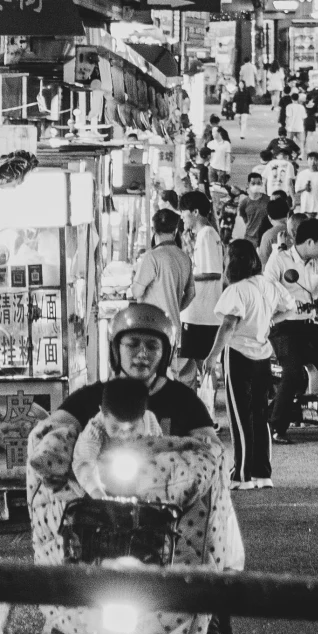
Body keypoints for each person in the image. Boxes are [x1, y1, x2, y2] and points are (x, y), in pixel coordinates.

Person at [24, 303, 248, 634]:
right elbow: (60, 432)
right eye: (133, 344)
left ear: (165, 352)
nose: (141, 353)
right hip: (99, 528)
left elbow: (208, 451)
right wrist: (50, 454)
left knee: (205, 603)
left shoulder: (183, 401)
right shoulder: (93, 397)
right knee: (68, 607)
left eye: (152, 345)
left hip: (170, 532)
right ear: (116, 349)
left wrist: (192, 477)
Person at [204, 238, 285, 489]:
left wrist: (212, 355)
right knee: (261, 415)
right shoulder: (267, 285)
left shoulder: (237, 290)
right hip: (262, 355)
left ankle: (241, 475)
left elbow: (228, 325)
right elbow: (288, 309)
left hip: (239, 354)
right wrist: (269, 321)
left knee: (240, 416)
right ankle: (263, 473)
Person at [265, 216, 318, 438]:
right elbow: (268, 287)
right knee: (292, 372)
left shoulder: (316, 264)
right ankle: (276, 427)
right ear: (310, 242)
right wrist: (288, 301)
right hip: (284, 327)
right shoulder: (280, 260)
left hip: (310, 328)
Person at [70, 375, 162, 497]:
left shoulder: (150, 421)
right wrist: (98, 494)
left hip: (143, 485)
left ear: (143, 415)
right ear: (102, 412)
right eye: (115, 428)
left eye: (132, 428)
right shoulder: (95, 429)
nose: (124, 435)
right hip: (103, 486)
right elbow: (83, 462)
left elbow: (160, 454)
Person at [130, 209, 195, 348]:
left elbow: (136, 292)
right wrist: (175, 308)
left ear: (153, 229)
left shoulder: (152, 257)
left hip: (153, 328)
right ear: (175, 230)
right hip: (174, 329)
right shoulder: (185, 258)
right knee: (170, 369)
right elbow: (191, 294)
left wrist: (134, 279)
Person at [179, 192, 227, 374]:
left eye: (184, 214)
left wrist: (186, 276)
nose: (183, 219)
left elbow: (213, 272)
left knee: (205, 366)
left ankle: (208, 402)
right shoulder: (205, 234)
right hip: (201, 312)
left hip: (202, 313)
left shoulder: (206, 234)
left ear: (195, 212)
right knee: (202, 365)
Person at [257, 193, 295, 265]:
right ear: (288, 214)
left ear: (269, 217)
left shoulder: (267, 236)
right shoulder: (296, 230)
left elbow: (264, 263)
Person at [234, 169, 271, 244]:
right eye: (253, 183)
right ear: (248, 184)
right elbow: (243, 217)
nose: (256, 185)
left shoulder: (268, 200)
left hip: (265, 237)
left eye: (258, 183)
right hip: (250, 237)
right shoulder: (244, 203)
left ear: (261, 184)